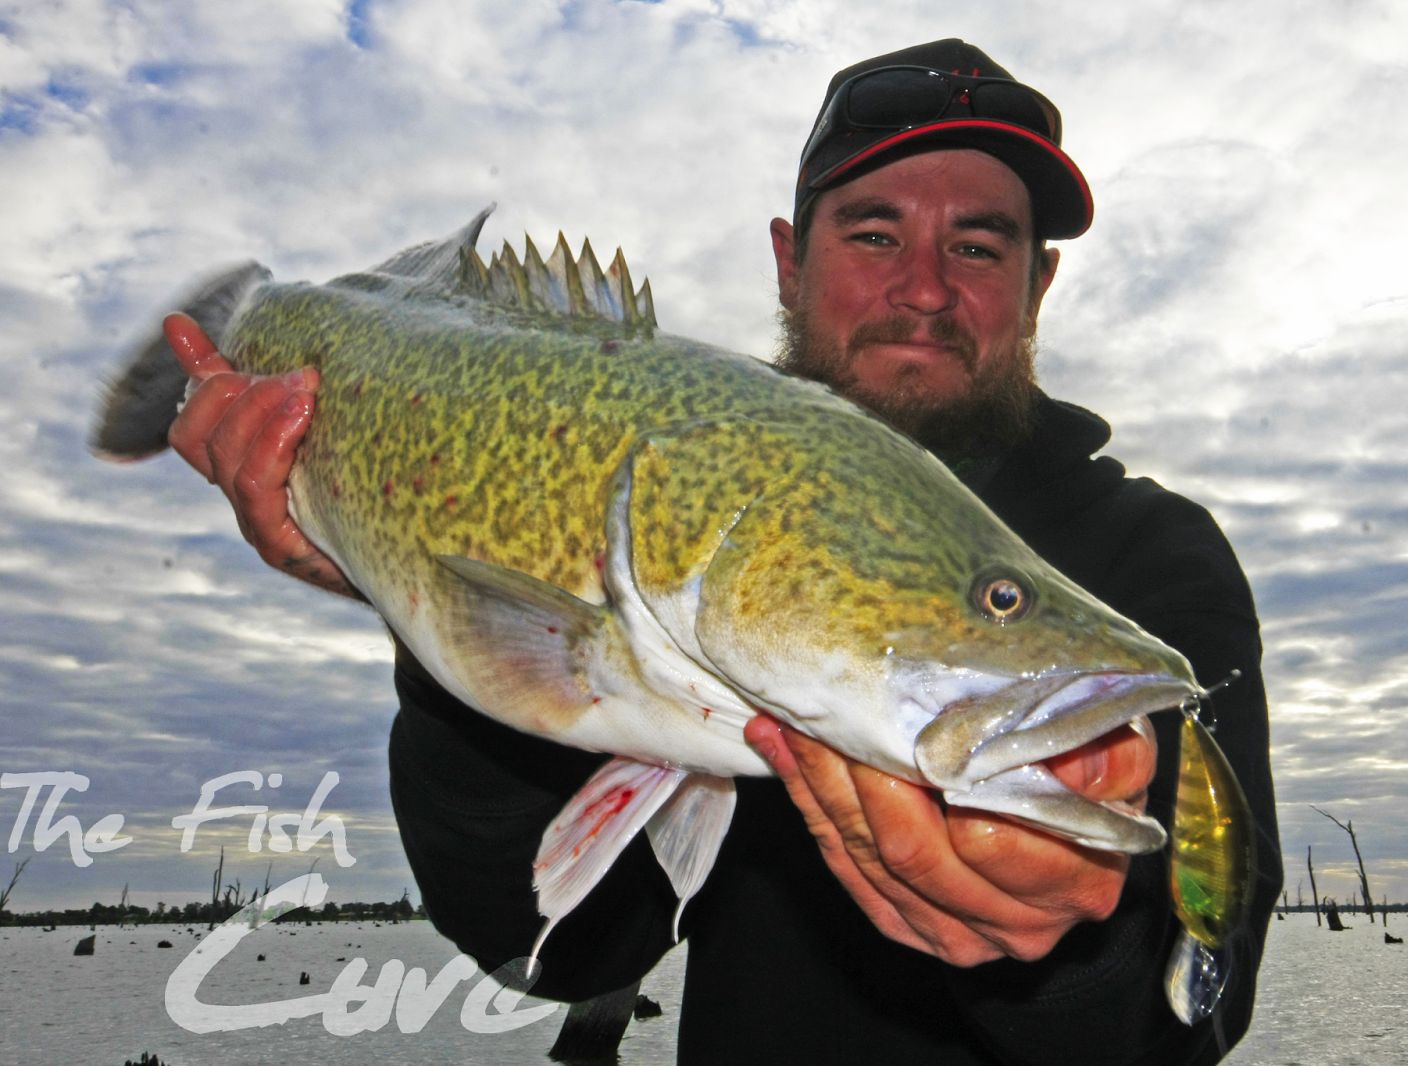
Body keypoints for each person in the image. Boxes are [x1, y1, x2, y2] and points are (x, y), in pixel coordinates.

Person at [163, 39, 1282, 1065]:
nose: (926, 288)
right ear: (790, 263)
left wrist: (1058, 959)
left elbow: (1193, 1013)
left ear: (1036, 287)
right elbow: (553, 950)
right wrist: (421, 607)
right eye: (875, 232)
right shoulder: (687, 493)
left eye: (980, 245)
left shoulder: (1158, 559)